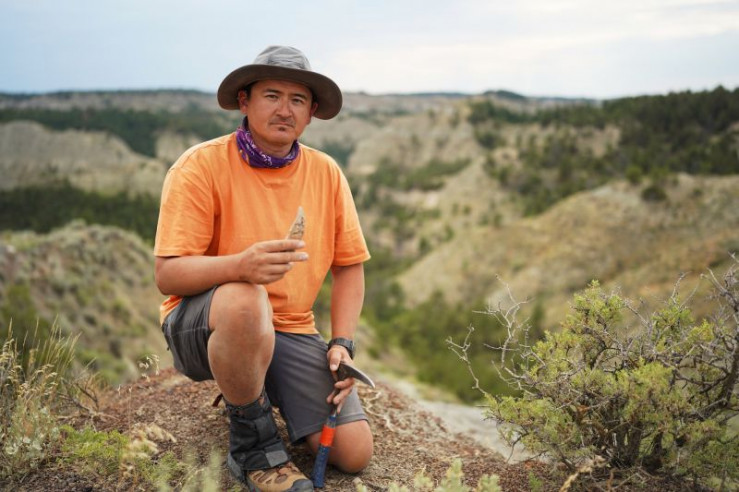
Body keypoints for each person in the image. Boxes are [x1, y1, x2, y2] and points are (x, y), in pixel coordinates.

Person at [154, 45, 373, 492]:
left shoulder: (326, 172)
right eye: (272, 95)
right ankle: (253, 449)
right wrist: (240, 265)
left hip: (290, 328)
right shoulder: (200, 165)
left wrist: (342, 343)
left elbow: (349, 266)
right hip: (205, 322)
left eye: (297, 100)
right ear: (245, 101)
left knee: (354, 453)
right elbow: (168, 275)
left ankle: (255, 381)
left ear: (311, 113)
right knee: (245, 298)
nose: (284, 110)